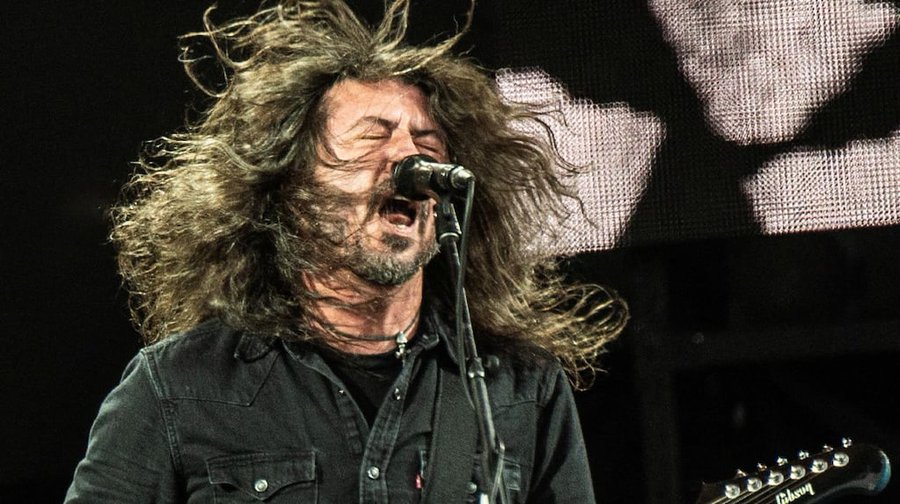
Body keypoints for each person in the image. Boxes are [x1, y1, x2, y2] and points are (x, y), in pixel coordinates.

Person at [65, 1, 627, 502]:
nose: (409, 159)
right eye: (371, 137)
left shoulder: (521, 389)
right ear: (290, 187)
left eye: (427, 144)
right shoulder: (180, 387)